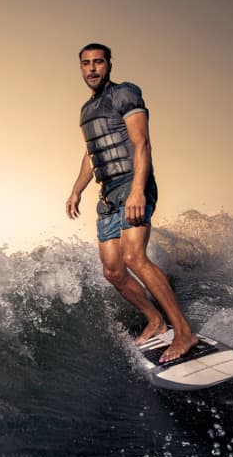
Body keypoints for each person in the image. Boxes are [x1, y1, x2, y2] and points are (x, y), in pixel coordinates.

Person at [65, 43, 197, 363]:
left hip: (132, 184)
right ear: (81, 68)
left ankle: (183, 332)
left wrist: (138, 190)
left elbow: (142, 142)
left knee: (135, 257)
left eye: (98, 62)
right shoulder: (86, 111)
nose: (92, 68)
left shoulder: (126, 93)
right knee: (113, 270)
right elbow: (92, 154)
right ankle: (155, 319)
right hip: (107, 194)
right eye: (86, 63)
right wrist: (76, 190)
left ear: (109, 64)